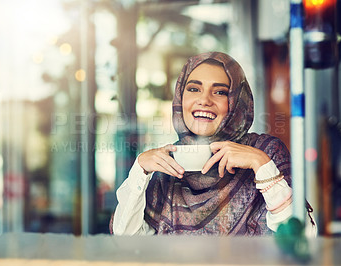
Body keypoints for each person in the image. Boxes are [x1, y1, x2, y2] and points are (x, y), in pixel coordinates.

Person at [111, 52, 316, 236]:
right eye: (193, 89)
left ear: (237, 101)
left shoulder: (265, 151)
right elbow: (127, 240)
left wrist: (260, 163)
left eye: (220, 92)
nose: (204, 100)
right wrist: (140, 170)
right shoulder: (168, 163)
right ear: (180, 98)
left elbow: (302, 238)